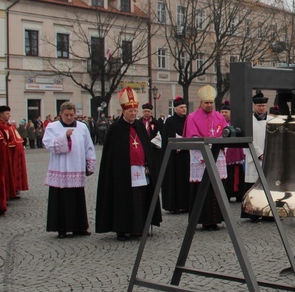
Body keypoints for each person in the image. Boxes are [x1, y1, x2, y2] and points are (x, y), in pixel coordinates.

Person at [96, 87, 162, 240]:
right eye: (130, 111)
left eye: (135, 111)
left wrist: (147, 164)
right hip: (123, 173)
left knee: (140, 198)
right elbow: (111, 156)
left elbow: (146, 148)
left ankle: (140, 227)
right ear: (123, 111)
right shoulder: (115, 129)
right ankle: (122, 228)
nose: (133, 114)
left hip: (140, 169)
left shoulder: (139, 126)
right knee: (124, 199)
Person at [43, 102, 96, 238]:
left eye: (72, 115)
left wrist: (90, 164)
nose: (69, 117)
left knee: (78, 198)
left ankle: (80, 227)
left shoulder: (82, 127)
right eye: (66, 115)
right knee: (61, 200)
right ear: (60, 114)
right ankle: (62, 228)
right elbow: (48, 144)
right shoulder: (52, 127)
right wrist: (64, 137)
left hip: (77, 168)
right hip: (60, 169)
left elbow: (88, 146)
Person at [184, 85, 227, 230]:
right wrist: (205, 154)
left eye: (211, 103)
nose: (209, 105)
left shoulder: (219, 116)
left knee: (216, 188)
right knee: (203, 188)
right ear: (201, 103)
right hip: (201, 158)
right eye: (206, 103)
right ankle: (203, 219)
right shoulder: (192, 118)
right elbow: (192, 137)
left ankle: (216, 219)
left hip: (216, 155)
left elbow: (225, 133)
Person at [241, 91, 269, 222]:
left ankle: (269, 213)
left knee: (268, 185)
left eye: (263, 105)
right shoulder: (249, 122)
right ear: (254, 107)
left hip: (269, 157)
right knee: (254, 186)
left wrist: (269, 153)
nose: (261, 108)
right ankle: (253, 213)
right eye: (259, 106)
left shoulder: (272, 121)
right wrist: (259, 153)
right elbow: (247, 140)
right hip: (254, 157)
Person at [161, 96, 190, 213]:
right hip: (174, 157)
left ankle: (187, 204)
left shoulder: (188, 120)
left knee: (186, 179)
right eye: (181, 107)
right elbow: (168, 137)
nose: (184, 109)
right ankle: (174, 205)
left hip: (186, 155)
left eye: (185, 107)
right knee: (175, 180)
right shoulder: (170, 121)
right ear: (175, 109)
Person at [0, 106, 29, 198]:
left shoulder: (9, 125)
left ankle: (15, 189)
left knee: (16, 172)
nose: (9, 115)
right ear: (1, 115)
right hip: (10, 152)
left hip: (16, 152)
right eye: (7, 113)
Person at [219, 101, 245, 202]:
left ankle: (238, 193)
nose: (224, 114)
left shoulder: (234, 123)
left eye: (226, 112)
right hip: (222, 154)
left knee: (236, 174)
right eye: (222, 112)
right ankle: (227, 194)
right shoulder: (219, 123)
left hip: (234, 152)